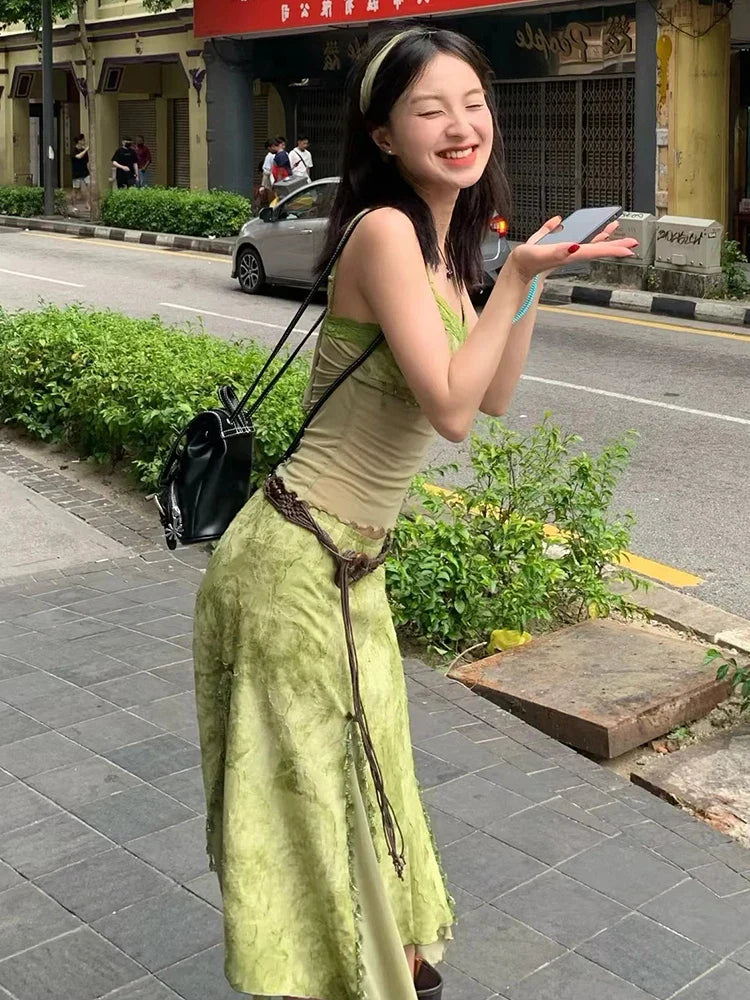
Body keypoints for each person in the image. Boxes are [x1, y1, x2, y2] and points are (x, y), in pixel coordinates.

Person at [193, 26, 637, 1000]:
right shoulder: (387, 233)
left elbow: (491, 398)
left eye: (473, 104)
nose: (461, 125)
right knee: (322, 797)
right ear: (384, 135)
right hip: (294, 563)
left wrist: (526, 281)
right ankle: (360, 977)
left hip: (350, 566)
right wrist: (513, 277)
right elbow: (447, 405)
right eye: (430, 109)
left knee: (372, 778)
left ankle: (388, 969)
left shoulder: (442, 247)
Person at [70, 133, 90, 213]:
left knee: (89, 186)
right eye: (83, 140)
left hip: (85, 172)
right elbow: (78, 156)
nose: (84, 141)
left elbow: (87, 161)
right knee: (76, 190)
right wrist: (85, 150)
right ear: (79, 141)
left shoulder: (84, 150)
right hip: (77, 172)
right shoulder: (74, 150)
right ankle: (73, 206)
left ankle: (87, 203)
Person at [258, 138, 279, 207]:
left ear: (271, 147)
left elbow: (266, 172)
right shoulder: (284, 154)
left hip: (274, 183)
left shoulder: (269, 156)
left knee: (273, 203)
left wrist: (263, 186)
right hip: (280, 182)